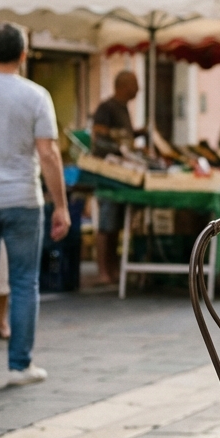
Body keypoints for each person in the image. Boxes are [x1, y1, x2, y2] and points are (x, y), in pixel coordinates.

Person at [0, 24, 70, 389]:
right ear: (24, 55)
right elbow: (48, 154)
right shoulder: (36, 95)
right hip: (22, 199)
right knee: (24, 281)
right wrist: (61, 206)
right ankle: (19, 365)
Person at [91, 70, 140, 286]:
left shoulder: (123, 109)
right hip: (108, 174)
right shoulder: (106, 108)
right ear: (124, 85)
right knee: (106, 223)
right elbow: (99, 136)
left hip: (123, 174)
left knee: (116, 225)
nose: (138, 88)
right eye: (135, 83)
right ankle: (103, 271)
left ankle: (112, 269)